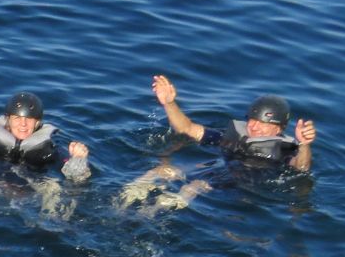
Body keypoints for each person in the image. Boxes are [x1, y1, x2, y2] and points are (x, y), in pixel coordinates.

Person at [120, 76, 314, 211]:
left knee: (193, 186)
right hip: (214, 169)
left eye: (263, 124)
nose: (254, 127)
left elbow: (302, 169)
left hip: (240, 183)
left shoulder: (286, 149)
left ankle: (154, 214)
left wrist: (304, 144)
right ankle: (123, 200)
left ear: (279, 128)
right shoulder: (232, 135)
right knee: (162, 171)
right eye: (252, 120)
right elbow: (187, 128)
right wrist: (169, 104)